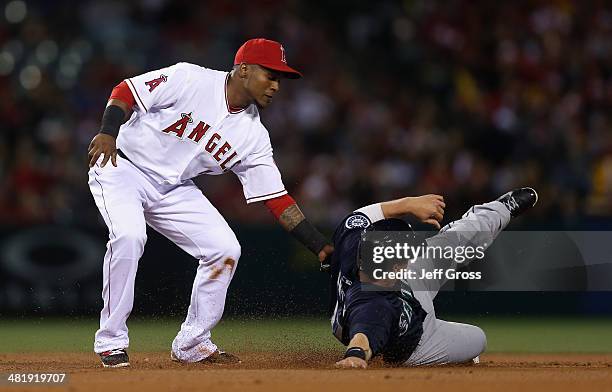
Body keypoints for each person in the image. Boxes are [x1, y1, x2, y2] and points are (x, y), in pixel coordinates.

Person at [87, 38, 334, 368]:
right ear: (244, 69)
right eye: (270, 75)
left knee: (225, 248)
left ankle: (192, 342)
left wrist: (318, 245)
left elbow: (277, 199)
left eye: (279, 79)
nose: (276, 86)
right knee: (130, 236)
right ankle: (111, 340)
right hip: (122, 164)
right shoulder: (191, 78)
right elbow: (126, 90)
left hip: (174, 189)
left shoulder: (254, 136)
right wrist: (108, 132)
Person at [329, 188, 538, 368]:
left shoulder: (353, 244)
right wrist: (355, 356)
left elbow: (358, 217)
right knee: (478, 339)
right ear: (400, 266)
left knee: (453, 242)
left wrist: (408, 204)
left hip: (399, 287)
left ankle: (501, 208)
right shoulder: (376, 304)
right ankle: (448, 358)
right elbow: (362, 337)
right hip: (419, 341)